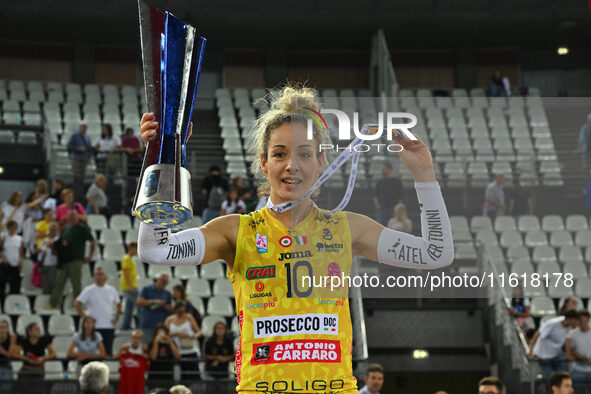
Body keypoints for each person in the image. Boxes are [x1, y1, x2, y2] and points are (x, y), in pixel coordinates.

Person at [137, 84, 453, 392]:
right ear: (263, 162)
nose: (292, 165)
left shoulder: (346, 228)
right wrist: (161, 162)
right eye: (279, 154)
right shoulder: (237, 230)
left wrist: (425, 176)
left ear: (320, 162)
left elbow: (435, 254)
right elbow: (155, 248)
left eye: (304, 154)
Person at [49, 210, 96, 309]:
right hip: (64, 260)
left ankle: (77, 306)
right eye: (70, 216)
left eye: (73, 216)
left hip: (76, 260)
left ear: (76, 217)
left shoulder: (82, 228)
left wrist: (90, 256)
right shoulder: (65, 228)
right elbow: (60, 241)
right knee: (58, 282)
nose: (71, 218)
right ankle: (53, 304)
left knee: (76, 284)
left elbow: (92, 241)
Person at [75, 267, 121, 356]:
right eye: (97, 274)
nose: (99, 276)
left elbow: (119, 304)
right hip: (94, 327)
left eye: (101, 274)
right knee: (93, 352)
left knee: (107, 352)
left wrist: (116, 318)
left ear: (105, 276)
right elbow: (77, 303)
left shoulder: (112, 290)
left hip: (108, 326)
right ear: (94, 277)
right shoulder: (89, 290)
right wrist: (84, 317)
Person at [529, 310, 580, 379]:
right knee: (550, 379)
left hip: (556, 355)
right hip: (543, 356)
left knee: (563, 377)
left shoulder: (571, 326)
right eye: (576, 320)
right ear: (569, 319)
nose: (577, 323)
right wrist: (531, 350)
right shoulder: (552, 324)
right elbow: (538, 334)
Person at [165, 301, 202, 381]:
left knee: (192, 376)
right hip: (176, 351)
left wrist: (193, 336)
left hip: (189, 350)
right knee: (179, 376)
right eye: (179, 311)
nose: (181, 313)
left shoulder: (189, 317)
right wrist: (177, 333)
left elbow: (199, 332)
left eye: (183, 311)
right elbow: (165, 334)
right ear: (175, 309)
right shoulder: (169, 319)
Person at [137, 273, 173, 343]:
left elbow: (171, 311)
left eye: (166, 282)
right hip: (147, 326)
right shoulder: (146, 289)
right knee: (146, 346)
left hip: (161, 328)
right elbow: (139, 302)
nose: (164, 284)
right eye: (163, 281)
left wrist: (164, 305)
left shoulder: (167, 293)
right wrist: (154, 302)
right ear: (157, 280)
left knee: (160, 346)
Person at [67, 120, 94, 202]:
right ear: (80, 127)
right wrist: (78, 148)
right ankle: (76, 194)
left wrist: (89, 157)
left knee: (82, 177)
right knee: (77, 177)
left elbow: (89, 148)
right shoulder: (74, 135)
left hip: (84, 159)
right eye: (83, 127)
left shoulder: (87, 136)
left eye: (85, 127)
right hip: (76, 158)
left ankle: (81, 194)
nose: (84, 128)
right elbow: (69, 146)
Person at [565, 309, 591, 390]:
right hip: (578, 370)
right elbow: (570, 353)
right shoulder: (572, 334)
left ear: (588, 319)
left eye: (582, 320)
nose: (580, 322)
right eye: (578, 320)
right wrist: (580, 357)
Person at [0, 221, 23, 302]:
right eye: (12, 226)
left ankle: (13, 302)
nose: (13, 228)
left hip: (15, 264)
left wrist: (20, 261)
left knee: (15, 285)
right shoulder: (3, 236)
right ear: (9, 227)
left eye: (15, 227)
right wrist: (3, 257)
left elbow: (21, 252)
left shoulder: (19, 238)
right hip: (5, 264)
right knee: (2, 284)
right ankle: (2, 303)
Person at [121, 242, 139, 330]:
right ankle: (126, 325)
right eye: (136, 248)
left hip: (130, 286)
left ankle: (125, 325)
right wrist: (131, 286)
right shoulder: (127, 258)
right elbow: (126, 273)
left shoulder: (130, 259)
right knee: (136, 306)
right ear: (131, 248)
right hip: (130, 287)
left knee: (129, 307)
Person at [38, 222, 60, 295]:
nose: (52, 231)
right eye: (51, 229)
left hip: (54, 265)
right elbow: (41, 252)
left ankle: (54, 304)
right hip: (45, 264)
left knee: (54, 286)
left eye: (54, 230)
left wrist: (52, 245)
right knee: (45, 286)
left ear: (57, 231)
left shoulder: (59, 240)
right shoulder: (45, 240)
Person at [0, 319, 16, 387]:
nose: (2, 329)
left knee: (6, 388)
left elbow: (10, 355)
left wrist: (2, 351)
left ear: (7, 329)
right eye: (0, 327)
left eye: (4, 327)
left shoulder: (12, 337)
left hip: (6, 365)